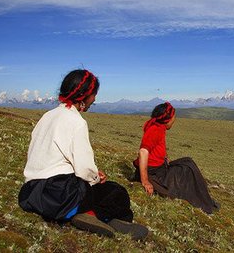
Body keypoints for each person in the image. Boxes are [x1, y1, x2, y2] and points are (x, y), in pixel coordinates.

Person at [18, 69, 148, 240]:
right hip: (59, 197)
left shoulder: (47, 116)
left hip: (31, 194)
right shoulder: (76, 122)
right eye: (94, 94)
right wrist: (95, 178)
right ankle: (95, 215)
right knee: (117, 192)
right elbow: (84, 169)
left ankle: (89, 214)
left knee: (92, 187)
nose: (94, 99)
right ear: (83, 96)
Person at [133, 102, 220, 214]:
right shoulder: (155, 130)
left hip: (159, 168)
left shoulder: (159, 127)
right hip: (154, 174)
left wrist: (165, 157)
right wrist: (145, 181)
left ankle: (204, 199)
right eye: (174, 117)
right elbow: (143, 151)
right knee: (187, 170)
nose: (175, 120)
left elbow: (157, 147)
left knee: (188, 162)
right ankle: (203, 202)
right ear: (167, 119)